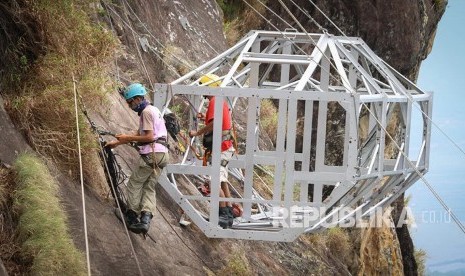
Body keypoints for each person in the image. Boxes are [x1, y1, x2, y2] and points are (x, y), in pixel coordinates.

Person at [106, 83, 169, 234]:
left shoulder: (146, 112)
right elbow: (141, 133)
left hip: (152, 153)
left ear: (136, 99)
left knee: (134, 184)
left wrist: (126, 137)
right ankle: (146, 220)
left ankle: (132, 217)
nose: (129, 106)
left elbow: (148, 136)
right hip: (163, 155)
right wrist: (117, 142)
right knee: (149, 187)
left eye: (129, 102)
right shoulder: (154, 110)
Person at [189, 74, 235, 229]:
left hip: (221, 148)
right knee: (221, 181)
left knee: (214, 181)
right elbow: (217, 121)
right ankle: (228, 214)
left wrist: (197, 133)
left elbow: (215, 124)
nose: (203, 92)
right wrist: (204, 118)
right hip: (225, 147)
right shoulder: (220, 100)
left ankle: (222, 214)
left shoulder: (215, 101)